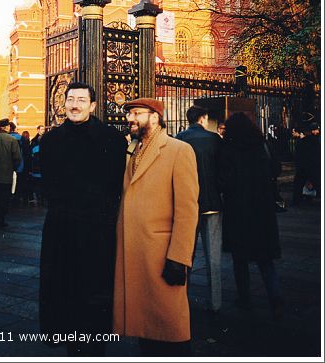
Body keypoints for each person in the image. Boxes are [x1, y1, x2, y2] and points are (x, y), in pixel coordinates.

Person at [39, 82, 126, 357]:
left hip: (96, 229)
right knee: (63, 286)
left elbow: (115, 186)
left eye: (81, 100)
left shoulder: (111, 139)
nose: (74, 105)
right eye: (70, 100)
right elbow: (48, 184)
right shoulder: (51, 140)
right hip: (61, 228)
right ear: (64, 104)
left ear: (93, 105)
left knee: (94, 289)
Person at [113, 97, 199, 357]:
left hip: (162, 253)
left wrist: (179, 258)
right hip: (135, 252)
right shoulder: (133, 150)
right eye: (129, 114)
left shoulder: (178, 150)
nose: (130, 119)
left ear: (155, 116)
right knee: (146, 330)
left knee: (170, 328)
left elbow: (187, 210)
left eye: (136, 113)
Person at [219, 112, 284, 320]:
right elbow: (276, 169)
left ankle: (245, 298)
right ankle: (275, 299)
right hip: (262, 209)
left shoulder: (227, 148)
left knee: (240, 259)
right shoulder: (262, 145)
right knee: (265, 260)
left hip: (238, 209)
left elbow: (223, 180)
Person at [176, 105, 223, 313]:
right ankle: (216, 302)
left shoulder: (179, 139)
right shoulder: (215, 140)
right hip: (212, 203)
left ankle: (181, 299)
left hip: (188, 204)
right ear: (203, 118)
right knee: (214, 257)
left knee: (186, 254)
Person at [293, 121, 321, 204]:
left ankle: (297, 199)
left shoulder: (301, 142)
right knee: (317, 182)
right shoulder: (316, 141)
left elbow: (297, 155)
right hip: (313, 165)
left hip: (303, 165)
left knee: (299, 183)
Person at [9, 122, 24, 205]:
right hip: (20, 164)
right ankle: (16, 198)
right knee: (18, 183)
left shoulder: (6, 138)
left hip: (8, 165)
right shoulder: (21, 138)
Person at [30, 125, 45, 205]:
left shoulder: (46, 139)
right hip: (37, 165)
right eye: (42, 129)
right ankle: (39, 196)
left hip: (39, 165)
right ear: (38, 130)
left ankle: (40, 196)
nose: (43, 131)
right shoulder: (34, 141)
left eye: (44, 129)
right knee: (38, 182)